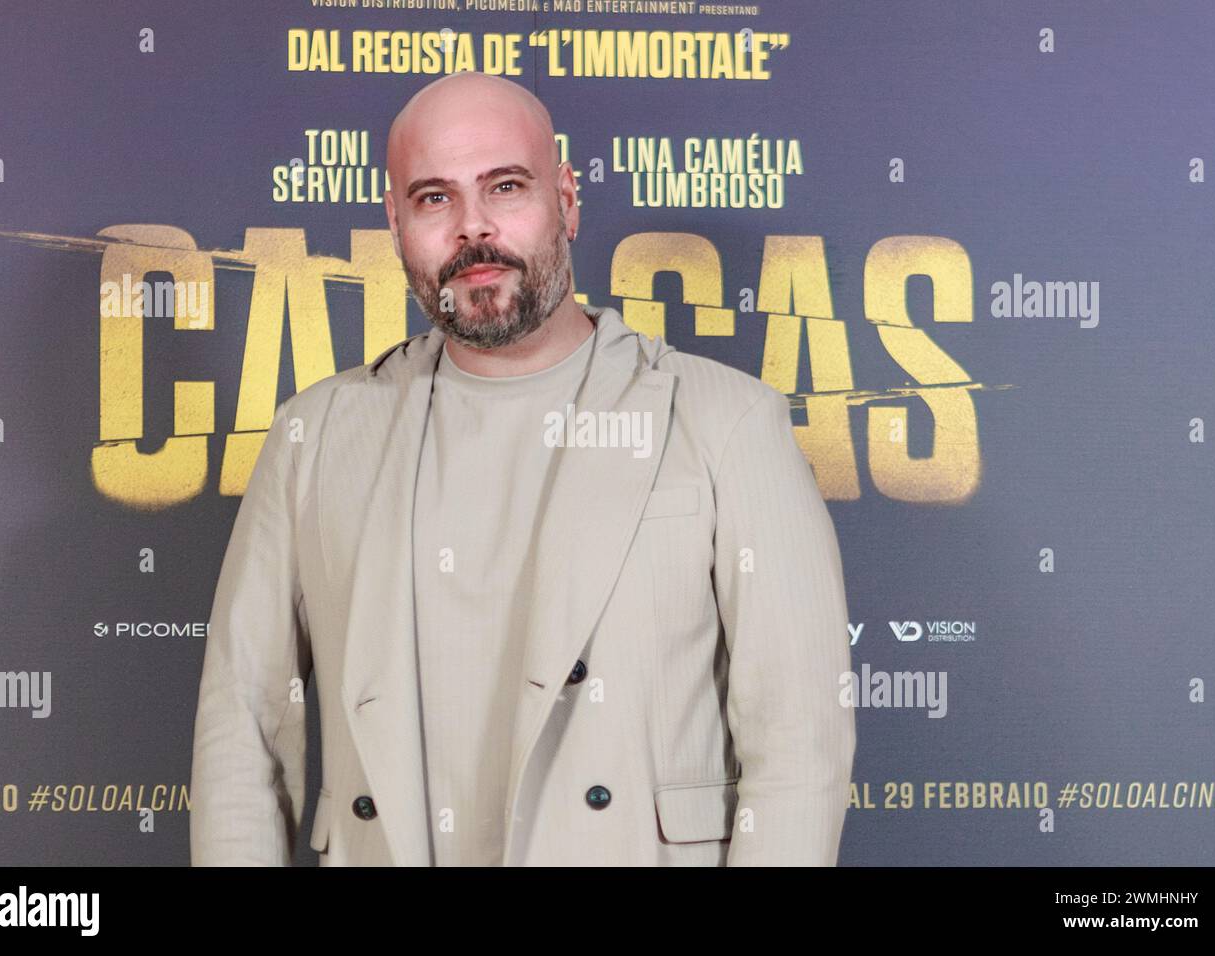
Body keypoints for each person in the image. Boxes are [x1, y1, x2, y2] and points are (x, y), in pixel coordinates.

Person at [190, 71, 855, 866]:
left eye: (505, 186)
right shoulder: (315, 437)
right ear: (395, 221)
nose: (474, 229)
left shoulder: (729, 423)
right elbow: (241, 734)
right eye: (434, 198)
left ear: (567, 199)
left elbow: (799, 747)